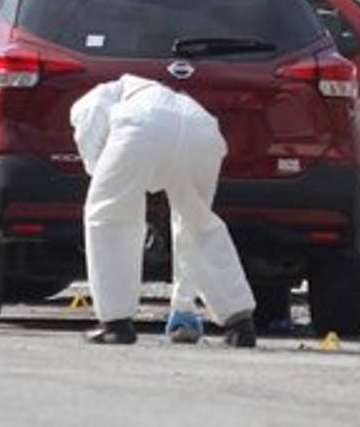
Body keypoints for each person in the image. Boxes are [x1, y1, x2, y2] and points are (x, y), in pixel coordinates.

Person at [70, 75, 256, 346]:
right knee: (198, 224)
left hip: (143, 125)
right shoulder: (159, 95)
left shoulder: (93, 100)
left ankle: (116, 322)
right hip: (202, 130)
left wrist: (107, 177)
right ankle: (239, 323)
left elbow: (92, 147)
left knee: (108, 214)